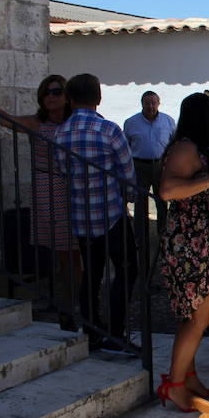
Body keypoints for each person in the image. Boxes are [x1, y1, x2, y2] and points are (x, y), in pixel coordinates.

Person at [156, 93, 209, 412]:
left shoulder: (199, 147)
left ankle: (187, 377)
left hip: (204, 242)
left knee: (194, 317)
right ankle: (174, 385)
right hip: (192, 245)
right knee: (198, 317)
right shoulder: (186, 148)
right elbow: (167, 190)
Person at [0, 75, 83, 330]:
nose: (50, 96)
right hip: (49, 190)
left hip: (74, 188)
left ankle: (74, 302)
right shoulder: (37, 123)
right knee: (64, 253)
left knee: (76, 253)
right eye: (46, 93)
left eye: (55, 91)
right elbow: (6, 119)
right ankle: (69, 304)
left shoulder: (75, 123)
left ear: (66, 96)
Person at [54, 73, 138, 353]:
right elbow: (128, 177)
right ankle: (114, 332)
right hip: (112, 214)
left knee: (90, 274)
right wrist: (131, 198)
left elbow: (63, 172)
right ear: (98, 98)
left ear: (70, 98)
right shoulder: (110, 130)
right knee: (127, 270)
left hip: (81, 215)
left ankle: (92, 332)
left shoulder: (61, 133)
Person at [123, 91, 175, 238]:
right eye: (147, 103)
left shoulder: (168, 121)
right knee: (140, 203)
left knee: (162, 200)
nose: (150, 106)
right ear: (142, 104)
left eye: (153, 102)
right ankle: (141, 236)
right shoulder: (131, 122)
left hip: (160, 166)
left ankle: (163, 233)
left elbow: (174, 142)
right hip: (139, 166)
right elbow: (126, 146)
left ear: (158, 103)